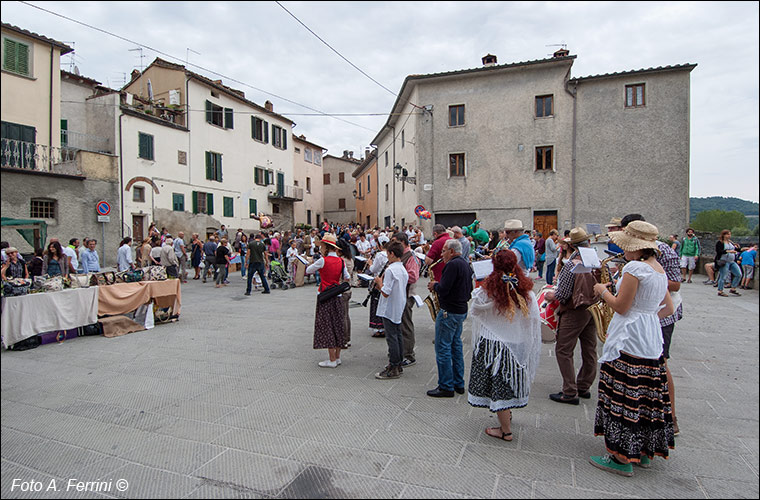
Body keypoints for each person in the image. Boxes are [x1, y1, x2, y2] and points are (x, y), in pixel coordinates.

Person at [589, 220, 675, 477]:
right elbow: (668, 309)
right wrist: (646, 318)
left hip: (629, 339)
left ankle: (620, 457)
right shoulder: (657, 269)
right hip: (650, 337)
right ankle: (644, 453)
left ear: (636, 248)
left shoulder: (635, 268)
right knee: (646, 395)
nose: (623, 251)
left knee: (623, 394)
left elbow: (621, 306)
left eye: (626, 246)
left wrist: (602, 291)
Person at [468, 249, 540, 442]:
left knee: (497, 385)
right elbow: (533, 317)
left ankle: (505, 430)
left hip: (492, 343)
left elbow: (475, 311)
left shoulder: (487, 290)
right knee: (506, 383)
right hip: (515, 341)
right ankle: (506, 418)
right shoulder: (526, 291)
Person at [548, 227, 598, 405]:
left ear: (572, 246)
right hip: (593, 309)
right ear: (588, 243)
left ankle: (570, 391)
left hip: (574, 310)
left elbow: (562, 295)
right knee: (589, 349)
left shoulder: (571, 264)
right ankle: (584, 385)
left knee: (563, 349)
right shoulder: (597, 261)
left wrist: (550, 295)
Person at [426, 239, 473, 397]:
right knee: (456, 346)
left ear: (452, 251)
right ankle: (458, 383)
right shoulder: (465, 264)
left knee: (443, 348)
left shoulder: (452, 265)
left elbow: (444, 289)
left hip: (449, 311)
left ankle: (446, 386)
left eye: (444, 251)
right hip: (460, 309)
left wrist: (435, 286)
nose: (442, 254)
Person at [306, 233, 350, 368]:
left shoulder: (322, 260)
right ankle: (337, 357)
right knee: (337, 325)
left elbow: (308, 270)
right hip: (336, 296)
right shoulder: (341, 261)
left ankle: (331, 359)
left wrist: (315, 263)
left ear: (325, 246)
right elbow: (347, 277)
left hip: (325, 295)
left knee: (327, 326)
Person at [374, 241, 410, 380]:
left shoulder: (390, 270)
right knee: (398, 334)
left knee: (392, 337)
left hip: (390, 307)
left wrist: (379, 283)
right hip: (399, 304)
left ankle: (394, 365)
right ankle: (398, 363)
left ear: (392, 254)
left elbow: (386, 292)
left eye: (388, 253)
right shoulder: (402, 268)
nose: (387, 256)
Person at [392, 232, 420, 367]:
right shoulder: (400, 255)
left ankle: (409, 355)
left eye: (395, 242)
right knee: (398, 324)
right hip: (399, 294)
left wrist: (396, 275)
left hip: (407, 295)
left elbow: (413, 277)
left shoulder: (411, 256)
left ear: (403, 243)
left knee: (405, 324)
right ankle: (400, 351)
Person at [368, 238, 389, 337]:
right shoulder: (390, 254)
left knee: (376, 304)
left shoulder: (380, 255)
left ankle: (378, 328)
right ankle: (385, 327)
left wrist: (370, 264)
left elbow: (374, 269)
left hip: (378, 282)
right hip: (387, 282)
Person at [336, 238, 354, 349]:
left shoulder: (341, 260)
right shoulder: (350, 259)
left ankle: (344, 339)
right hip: (348, 289)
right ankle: (347, 338)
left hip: (342, 289)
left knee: (342, 316)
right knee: (346, 315)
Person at [715, 230, 742, 297]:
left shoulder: (731, 243)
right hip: (724, 261)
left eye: (729, 234)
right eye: (727, 234)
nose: (729, 236)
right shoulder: (720, 243)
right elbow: (719, 251)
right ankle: (720, 291)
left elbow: (736, 250)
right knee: (723, 276)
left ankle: (733, 288)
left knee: (738, 274)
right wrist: (729, 251)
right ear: (723, 235)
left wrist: (740, 248)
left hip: (732, 261)